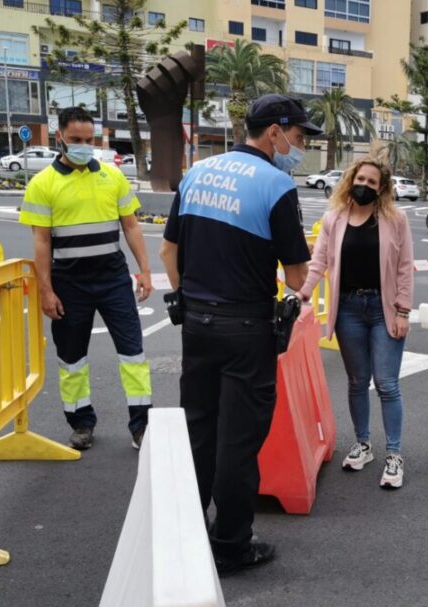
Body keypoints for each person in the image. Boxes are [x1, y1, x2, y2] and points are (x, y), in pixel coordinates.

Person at [159, 94, 320, 573]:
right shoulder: (274, 184)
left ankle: (186, 534)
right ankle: (230, 543)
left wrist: (191, 297)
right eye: (298, 135)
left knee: (199, 433)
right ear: (275, 131)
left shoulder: (198, 173)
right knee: (238, 442)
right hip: (246, 329)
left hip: (197, 325)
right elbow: (295, 277)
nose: (299, 144)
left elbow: (169, 254)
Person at [20, 106, 152, 451]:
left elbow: (132, 226)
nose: (82, 145)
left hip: (113, 280)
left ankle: (142, 426)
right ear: (59, 136)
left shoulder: (113, 177)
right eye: (75, 139)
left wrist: (145, 271)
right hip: (69, 285)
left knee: (133, 354)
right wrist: (46, 291)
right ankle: (81, 424)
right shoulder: (42, 184)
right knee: (72, 360)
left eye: (88, 140)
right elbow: (41, 242)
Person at [297, 157, 414, 488]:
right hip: (348, 307)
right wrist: (303, 293)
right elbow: (319, 260)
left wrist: (404, 310)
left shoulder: (395, 219)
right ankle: (363, 444)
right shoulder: (334, 218)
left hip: (384, 308)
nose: (365, 185)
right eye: (360, 178)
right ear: (351, 180)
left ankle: (394, 454)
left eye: (372, 182)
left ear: (382, 189)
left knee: (387, 383)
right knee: (357, 381)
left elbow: (405, 267)